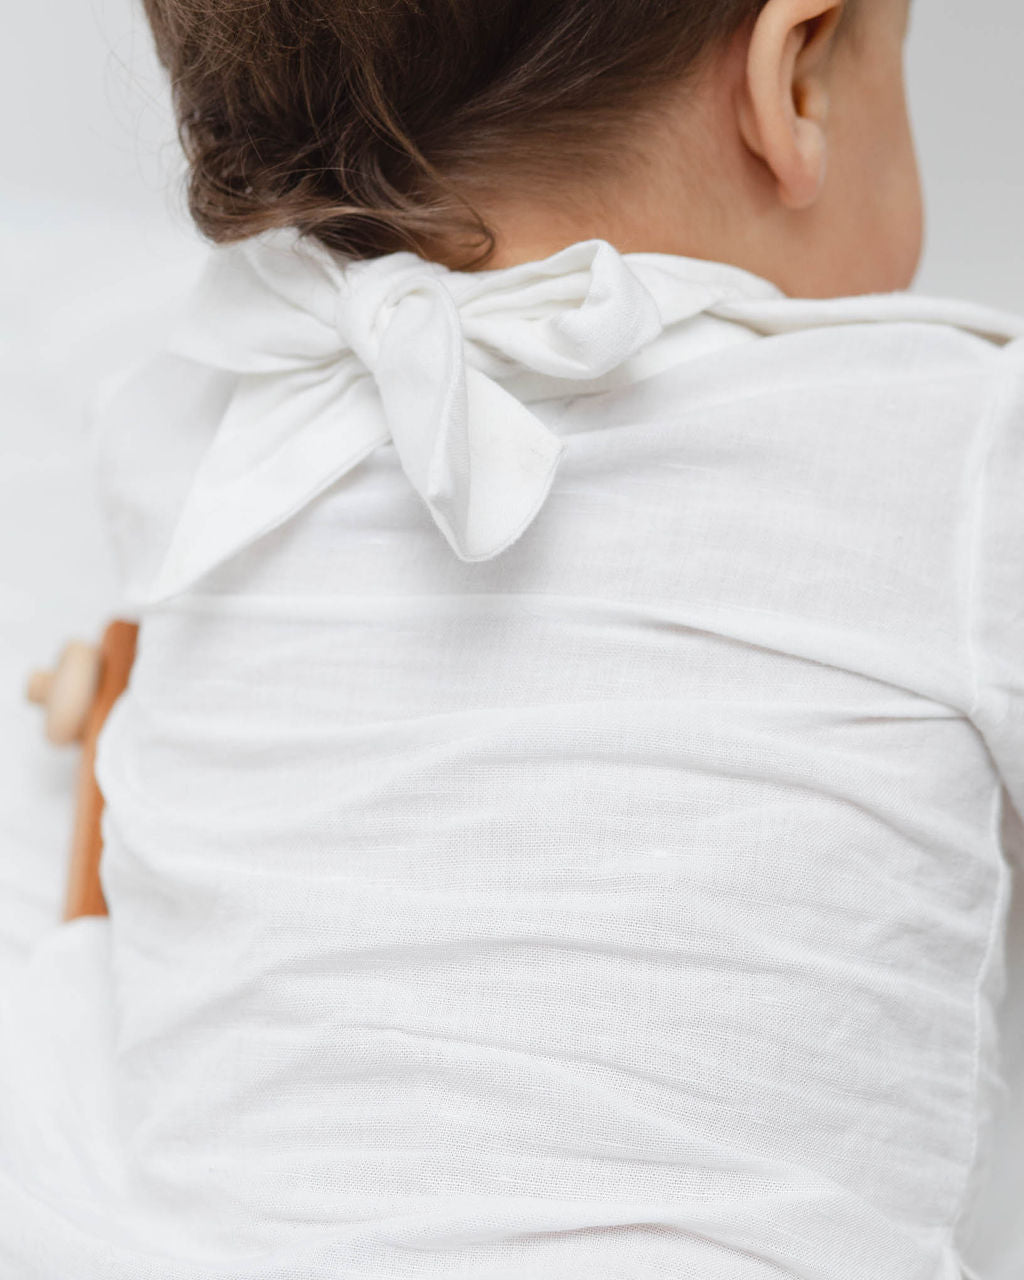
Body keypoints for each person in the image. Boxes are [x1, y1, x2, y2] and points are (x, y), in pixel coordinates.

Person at [3, 0, 1023, 1275]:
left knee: (86, 1037)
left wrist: (123, 708)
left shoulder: (215, 409)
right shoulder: (960, 436)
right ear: (796, 81)